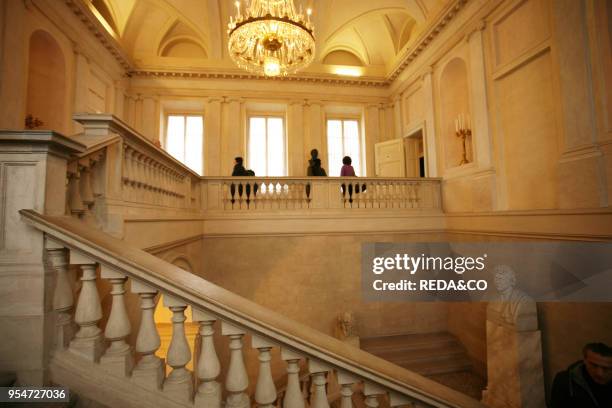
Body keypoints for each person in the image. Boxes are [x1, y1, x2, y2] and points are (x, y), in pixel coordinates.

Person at [551, 343, 612, 408]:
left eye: (606, 368)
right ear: (585, 361)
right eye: (594, 365)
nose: (599, 373)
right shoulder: (565, 381)